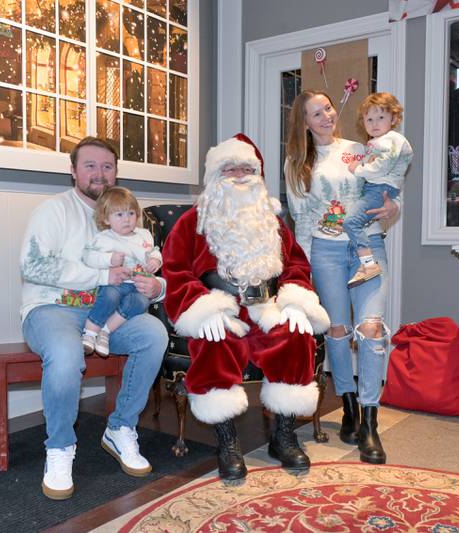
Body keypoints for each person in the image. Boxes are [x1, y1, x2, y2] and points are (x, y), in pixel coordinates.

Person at [162, 134, 330, 481]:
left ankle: (282, 438)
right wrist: (202, 306)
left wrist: (295, 300)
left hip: (268, 306)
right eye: (230, 169)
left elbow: (297, 265)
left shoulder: (274, 223)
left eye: (247, 169)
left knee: (294, 337)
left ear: (258, 176)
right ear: (214, 178)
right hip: (221, 310)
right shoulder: (192, 222)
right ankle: (228, 443)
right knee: (214, 344)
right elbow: (175, 270)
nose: (239, 176)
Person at [19, 137, 168, 500]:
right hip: (51, 307)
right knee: (67, 354)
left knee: (153, 333)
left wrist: (156, 286)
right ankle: (59, 447)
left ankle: (120, 428)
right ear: (73, 172)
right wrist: (100, 277)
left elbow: (150, 266)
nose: (99, 173)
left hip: (105, 316)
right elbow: (32, 265)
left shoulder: (128, 215)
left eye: (107, 166)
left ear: (116, 172)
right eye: (90, 165)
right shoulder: (53, 210)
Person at [284, 90, 401, 465]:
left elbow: (386, 193)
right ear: (303, 122)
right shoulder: (296, 163)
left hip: (368, 246)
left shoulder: (362, 148)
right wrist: (302, 268)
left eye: (328, 108)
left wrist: (392, 207)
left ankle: (369, 422)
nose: (325, 117)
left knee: (370, 328)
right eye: (315, 113)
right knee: (337, 329)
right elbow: (301, 220)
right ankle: (348, 407)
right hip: (326, 252)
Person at [81, 186, 162, 356]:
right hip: (116, 283)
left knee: (141, 302)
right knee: (110, 295)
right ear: (106, 219)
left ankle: (105, 331)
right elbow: (88, 257)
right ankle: (90, 332)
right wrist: (109, 259)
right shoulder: (104, 238)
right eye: (119, 215)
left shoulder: (144, 235)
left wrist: (155, 260)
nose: (126, 219)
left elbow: (153, 250)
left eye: (131, 213)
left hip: (138, 285)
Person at [342, 92, 413, 287]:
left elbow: (382, 166)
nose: (374, 123)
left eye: (381, 117)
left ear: (394, 118)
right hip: (377, 187)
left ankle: (368, 264)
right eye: (369, 119)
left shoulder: (392, 140)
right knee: (356, 220)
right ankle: (368, 264)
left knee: (351, 222)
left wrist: (359, 169)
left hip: (381, 188)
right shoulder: (380, 141)